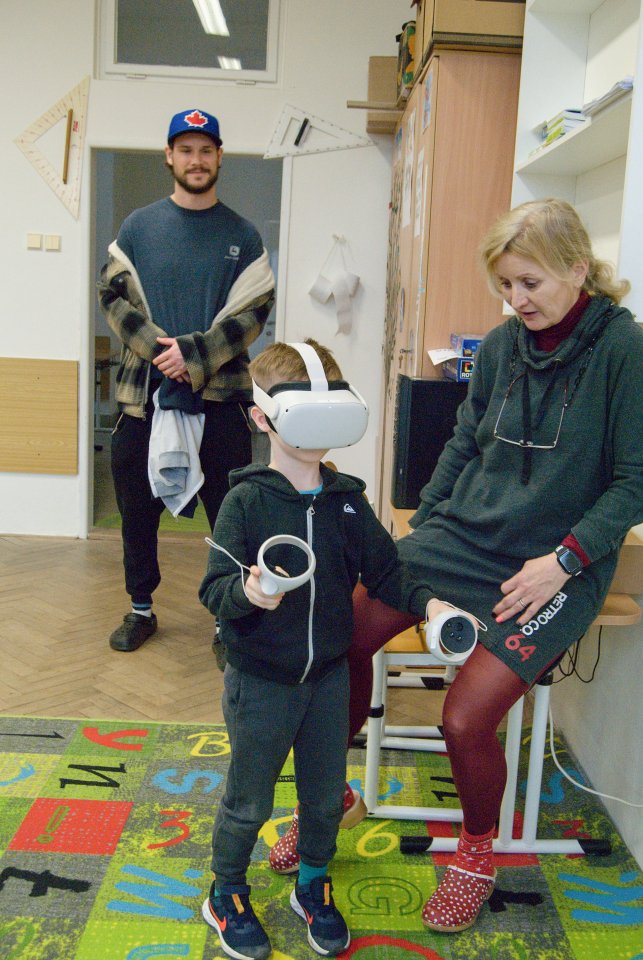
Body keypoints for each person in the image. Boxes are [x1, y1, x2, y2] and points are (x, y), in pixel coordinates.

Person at [269, 199, 643, 933]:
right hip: (459, 535)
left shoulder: (624, 350)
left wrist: (564, 562)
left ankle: (476, 854)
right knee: (338, 636)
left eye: (529, 282)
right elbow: (465, 443)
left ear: (577, 269)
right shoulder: (502, 346)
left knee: (464, 719)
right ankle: (330, 800)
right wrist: (426, 526)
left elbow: (634, 481)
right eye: (504, 284)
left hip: (556, 562)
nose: (516, 300)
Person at [198, 339, 463, 960]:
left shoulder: (347, 502)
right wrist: (247, 593)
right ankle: (226, 891)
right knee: (249, 799)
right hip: (261, 681)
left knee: (323, 799)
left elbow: (388, 570)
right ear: (263, 418)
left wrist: (431, 606)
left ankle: (312, 884)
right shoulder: (245, 501)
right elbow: (213, 590)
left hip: (328, 679)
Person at [97, 108, 275, 654]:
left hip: (221, 398)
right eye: (186, 150)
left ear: (219, 157)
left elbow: (253, 312)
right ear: (169, 157)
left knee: (230, 515)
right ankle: (140, 609)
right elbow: (112, 297)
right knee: (136, 512)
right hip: (142, 398)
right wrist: (161, 352)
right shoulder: (138, 227)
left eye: (205, 150)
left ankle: (229, 620)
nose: (196, 160)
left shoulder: (242, 235)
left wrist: (194, 355)